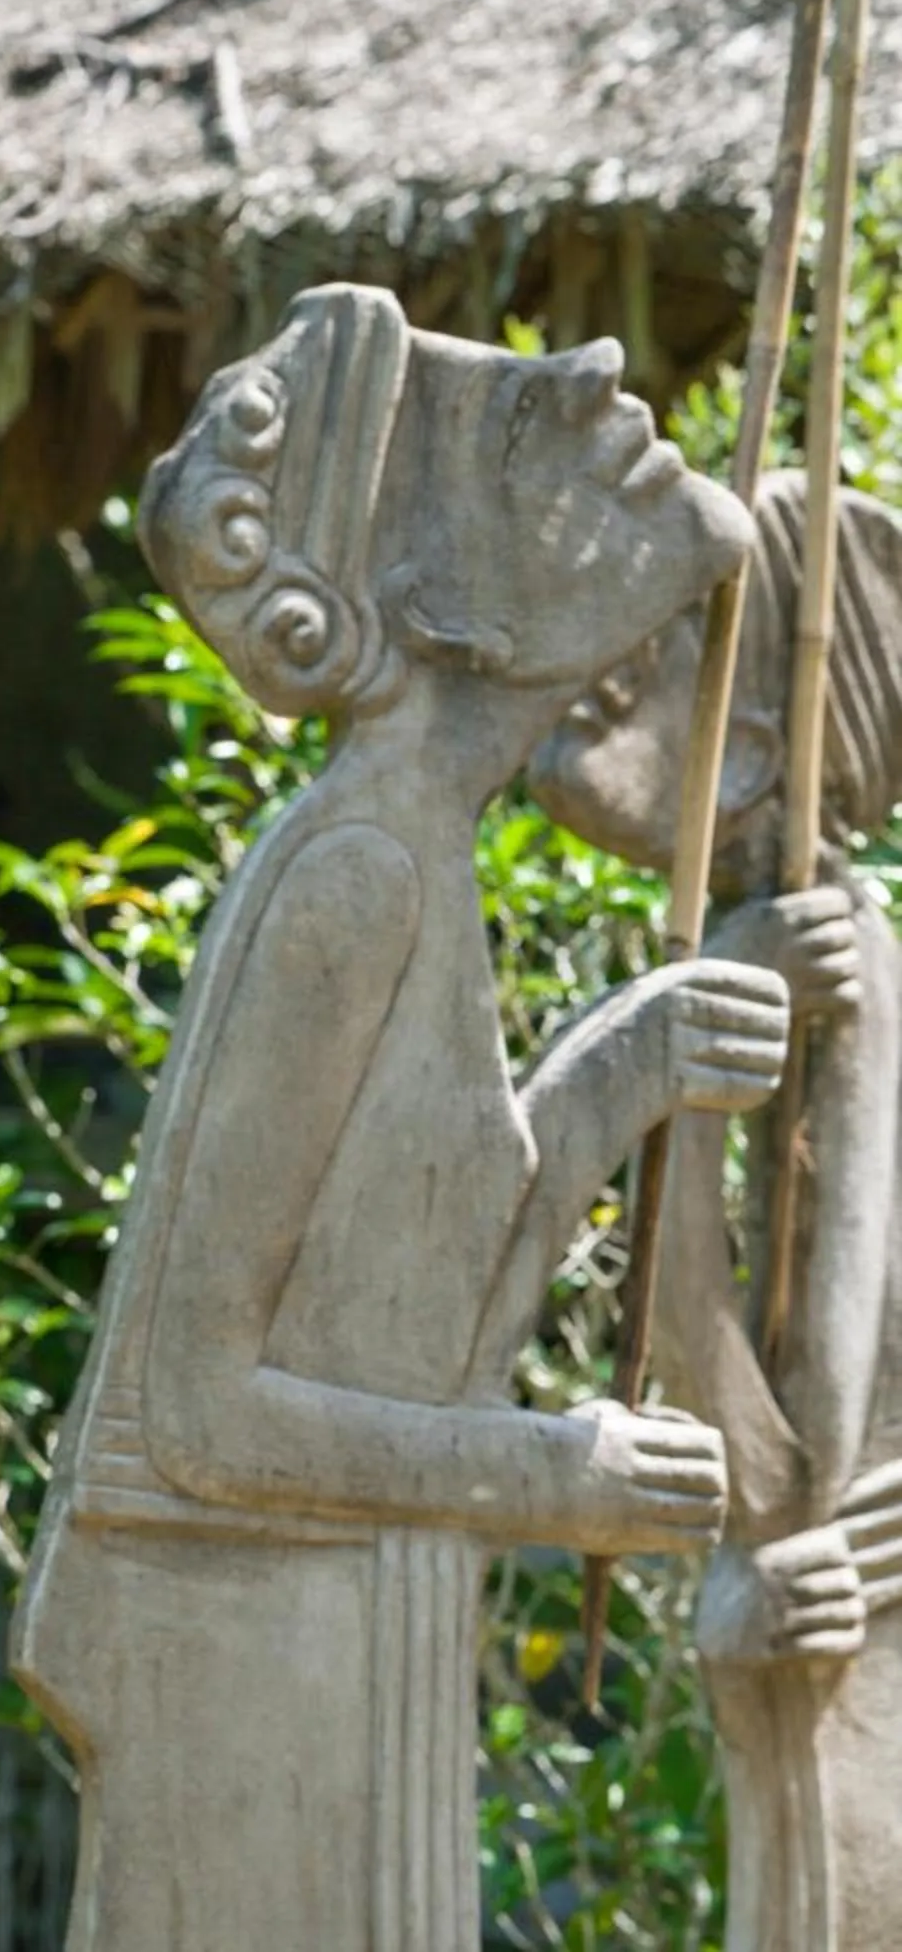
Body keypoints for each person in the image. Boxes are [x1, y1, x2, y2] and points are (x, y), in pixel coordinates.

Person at [11, 285, 788, 1951]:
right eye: (516, 424)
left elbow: (396, 1298)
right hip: (251, 1658)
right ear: (448, 605)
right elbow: (199, 1409)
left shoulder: (409, 858)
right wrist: (543, 1475)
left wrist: (617, 1073)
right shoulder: (356, 877)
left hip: (331, 1633)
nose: (590, 364)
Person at [529, 470, 902, 1951]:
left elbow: (791, 1453)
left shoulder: (854, 973)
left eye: (662, 643)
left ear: (758, 749)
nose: (599, 666)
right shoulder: (766, 969)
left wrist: (807, 1549)